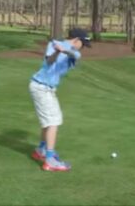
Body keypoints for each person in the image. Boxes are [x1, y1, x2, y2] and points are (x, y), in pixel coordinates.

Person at [29, 28, 91, 172]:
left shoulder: (74, 52)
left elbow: (75, 55)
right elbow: (49, 62)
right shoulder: (54, 45)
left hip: (46, 88)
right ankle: (50, 160)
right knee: (54, 121)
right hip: (41, 87)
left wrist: (63, 50)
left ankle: (41, 151)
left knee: (48, 121)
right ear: (76, 40)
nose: (84, 48)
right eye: (83, 43)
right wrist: (57, 51)